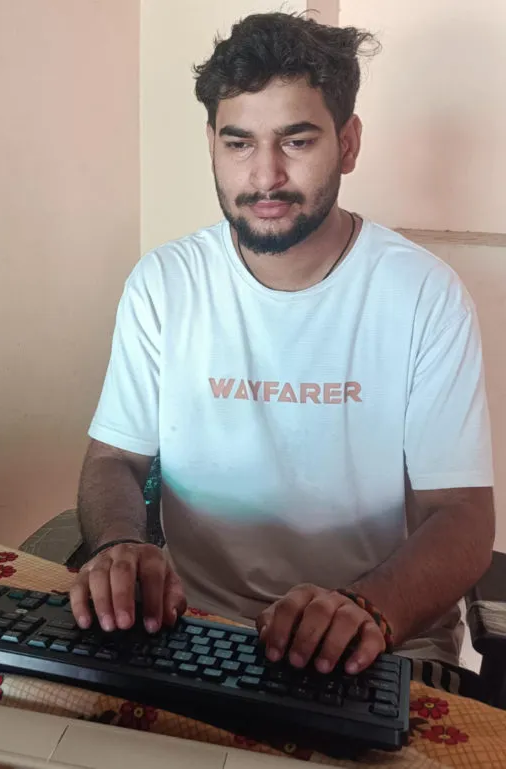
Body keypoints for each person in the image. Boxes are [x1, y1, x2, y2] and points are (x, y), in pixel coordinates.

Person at [69, 11, 495, 681]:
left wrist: (368, 609)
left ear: (348, 144)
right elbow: (114, 459)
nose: (265, 176)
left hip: (383, 638)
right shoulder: (165, 283)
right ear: (211, 141)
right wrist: (123, 547)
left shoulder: (423, 296)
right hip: (193, 627)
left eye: (296, 141)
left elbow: (464, 516)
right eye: (239, 143)